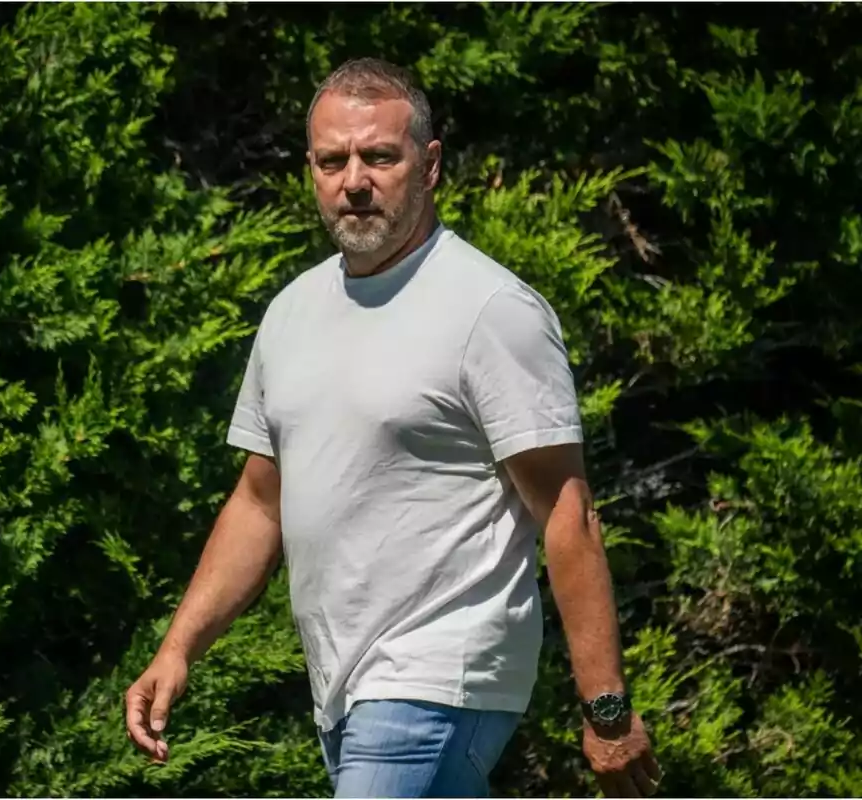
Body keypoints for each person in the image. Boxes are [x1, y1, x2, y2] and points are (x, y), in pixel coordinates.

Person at [125, 57, 661, 799]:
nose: (355, 181)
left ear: (429, 165)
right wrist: (178, 649)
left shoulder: (489, 310)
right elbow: (258, 502)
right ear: (309, 168)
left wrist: (606, 710)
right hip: (342, 687)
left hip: (437, 674)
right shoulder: (293, 313)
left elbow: (569, 515)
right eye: (332, 160)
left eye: (380, 156)